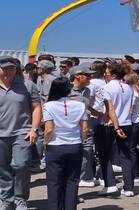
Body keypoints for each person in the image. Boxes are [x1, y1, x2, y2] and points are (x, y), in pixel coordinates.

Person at [0, 56, 42, 210]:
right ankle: (7, 201)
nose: (8, 72)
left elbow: (37, 107)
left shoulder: (27, 85)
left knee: (21, 164)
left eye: (11, 68)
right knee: (3, 169)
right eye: (4, 69)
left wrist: (34, 129)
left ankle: (20, 198)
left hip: (22, 132)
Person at [43, 77, 88, 210]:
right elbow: (85, 128)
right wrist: (82, 139)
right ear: (69, 89)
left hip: (55, 146)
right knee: (72, 181)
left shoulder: (48, 105)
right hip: (75, 144)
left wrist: (46, 142)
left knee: (54, 182)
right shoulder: (80, 105)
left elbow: (49, 129)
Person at [100, 63, 135, 196]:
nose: (105, 75)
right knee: (126, 155)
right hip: (127, 122)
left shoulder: (106, 88)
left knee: (105, 154)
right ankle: (129, 187)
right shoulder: (129, 88)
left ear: (113, 75)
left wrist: (115, 126)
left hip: (112, 124)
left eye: (107, 73)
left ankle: (110, 184)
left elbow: (110, 109)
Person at [68, 64, 97, 188]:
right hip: (72, 131)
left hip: (87, 130)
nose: (90, 77)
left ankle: (74, 187)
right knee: (72, 161)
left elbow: (86, 106)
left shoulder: (87, 90)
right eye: (87, 75)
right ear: (77, 76)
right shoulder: (66, 91)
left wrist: (99, 114)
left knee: (85, 158)